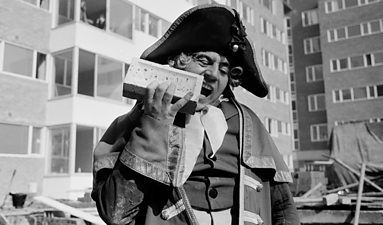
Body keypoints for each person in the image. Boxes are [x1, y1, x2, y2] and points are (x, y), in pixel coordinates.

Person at [91, 4, 300, 225]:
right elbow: (115, 213)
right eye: (204, 61)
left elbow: (283, 207)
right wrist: (153, 126)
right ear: (178, 63)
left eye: (224, 68)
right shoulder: (138, 119)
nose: (212, 74)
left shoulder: (248, 124)